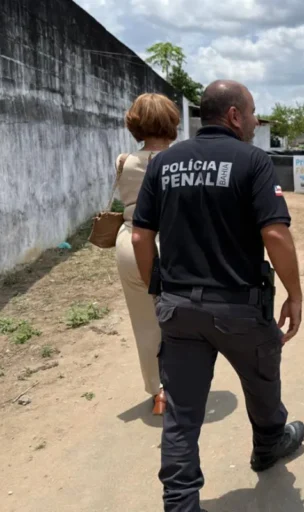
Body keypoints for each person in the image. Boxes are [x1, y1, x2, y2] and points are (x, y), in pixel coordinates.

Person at [131, 80, 304, 511]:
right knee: (263, 379)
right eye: (251, 114)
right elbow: (275, 234)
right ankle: (268, 446)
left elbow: (139, 237)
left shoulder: (163, 163)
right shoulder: (253, 161)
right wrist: (294, 294)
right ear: (233, 116)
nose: (253, 123)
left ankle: (180, 502)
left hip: (179, 309)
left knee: (182, 415)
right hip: (238, 307)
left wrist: (159, 291)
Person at [115, 93, 180, 416]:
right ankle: (181, 382)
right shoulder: (181, 160)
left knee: (144, 321)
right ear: (172, 123)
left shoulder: (123, 161)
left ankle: (158, 391)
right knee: (179, 318)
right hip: (170, 244)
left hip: (129, 241)